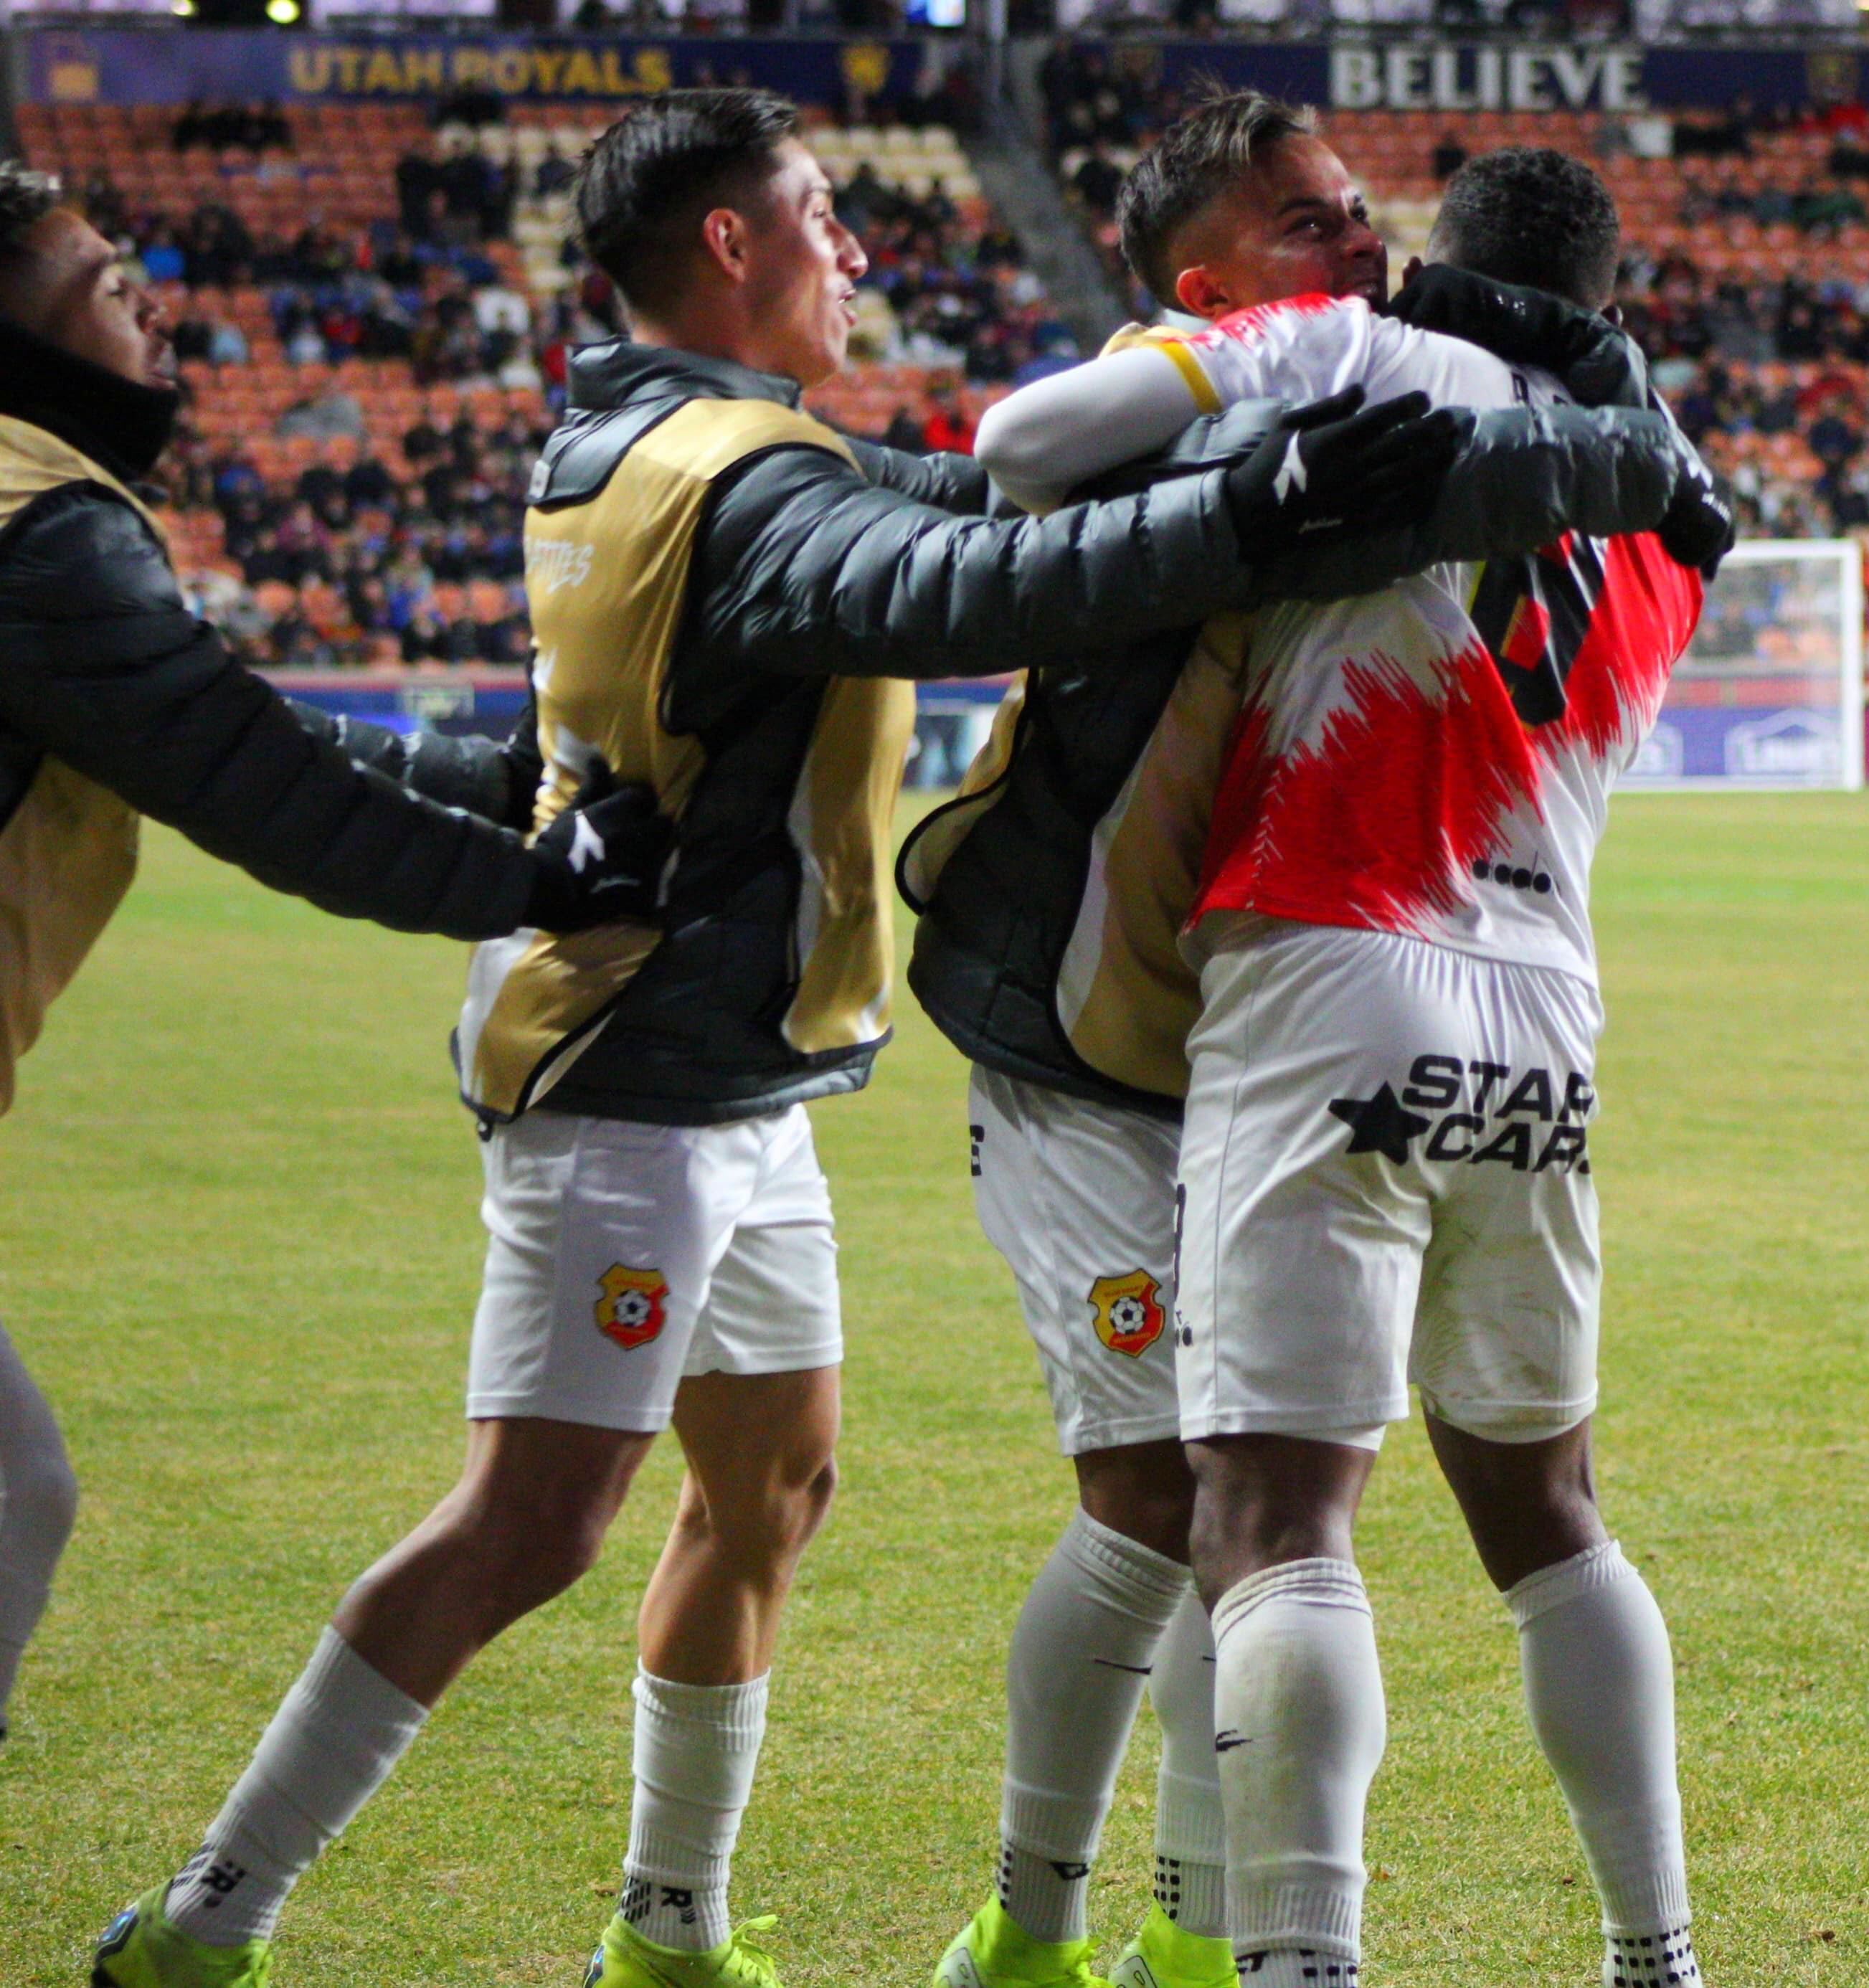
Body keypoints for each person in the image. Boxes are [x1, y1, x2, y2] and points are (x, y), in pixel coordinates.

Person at [95, 87, 1470, 1988]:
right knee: (531, 1519)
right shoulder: (725, 474)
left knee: (771, 1491)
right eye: (824, 215)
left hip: (742, 1068)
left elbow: (950, 505)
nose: (857, 248)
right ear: (731, 247)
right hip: (635, 1069)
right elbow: (945, 583)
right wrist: (1250, 508)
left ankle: (668, 1934)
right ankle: (200, 1919)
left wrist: (1186, 448)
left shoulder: (686, 442)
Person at [913, 158, 1703, 1988]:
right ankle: (1653, 1956)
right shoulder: (1665, 503)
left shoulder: (1347, 349)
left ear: (1437, 261)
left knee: (1272, 1517)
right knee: (1549, 1512)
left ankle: (1295, 1963)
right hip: (1544, 1019)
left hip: (1327, 960)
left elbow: (1027, 441)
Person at [0, 159, 668, 1756]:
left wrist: (503, 780)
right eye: (103, 280)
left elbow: (232, 724)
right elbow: (257, 782)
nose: (154, 308)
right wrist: (536, 874)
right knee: (13, 1494)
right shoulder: (39, 518)